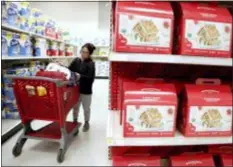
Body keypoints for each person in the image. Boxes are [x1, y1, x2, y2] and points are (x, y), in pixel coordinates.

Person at [69, 43, 96, 132]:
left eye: (86, 52)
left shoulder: (91, 64)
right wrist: (60, 66)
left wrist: (80, 76)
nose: (83, 54)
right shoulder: (76, 61)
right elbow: (69, 70)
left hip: (86, 90)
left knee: (86, 108)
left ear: (90, 54)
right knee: (75, 107)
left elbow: (90, 78)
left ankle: (86, 122)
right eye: (82, 51)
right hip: (76, 89)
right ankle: (75, 121)